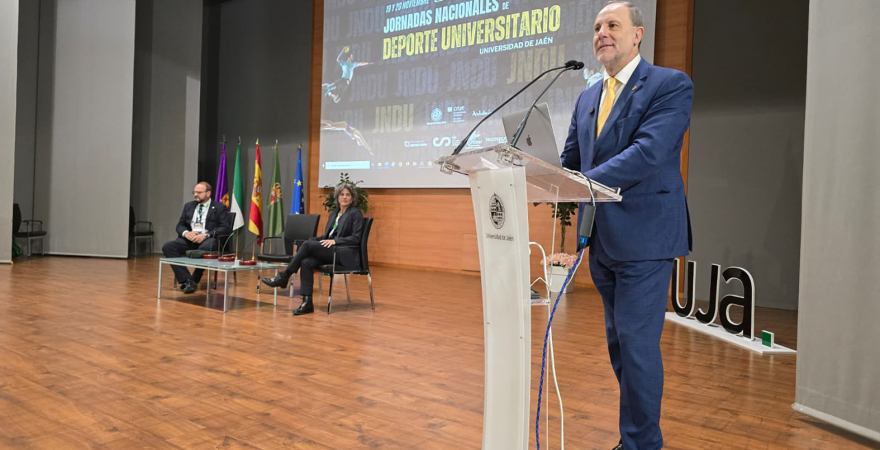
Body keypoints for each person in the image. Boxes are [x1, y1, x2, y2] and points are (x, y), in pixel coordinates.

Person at [560, 2, 693, 450]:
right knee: (622, 348)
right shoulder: (587, 97)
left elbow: (648, 153)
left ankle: (641, 444)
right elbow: (571, 162)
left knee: (636, 347)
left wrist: (580, 180)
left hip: (646, 238)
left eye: (612, 25)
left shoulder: (669, 85)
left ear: (638, 35)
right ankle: (637, 437)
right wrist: (534, 171)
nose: (602, 33)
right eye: (597, 27)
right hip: (601, 239)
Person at [260, 183, 365, 315]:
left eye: (348, 195)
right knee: (306, 262)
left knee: (307, 246)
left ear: (352, 198)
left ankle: (284, 276)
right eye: (342, 194)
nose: (344, 197)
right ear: (337, 197)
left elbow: (356, 238)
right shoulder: (334, 213)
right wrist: (313, 240)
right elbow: (326, 236)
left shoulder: (355, 213)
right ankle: (307, 303)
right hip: (331, 251)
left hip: (344, 253)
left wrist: (335, 241)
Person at [161, 182, 232, 294]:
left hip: (208, 239)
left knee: (206, 247)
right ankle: (187, 280)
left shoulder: (219, 207)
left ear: (208, 193)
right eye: (194, 192)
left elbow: (225, 228)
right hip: (191, 239)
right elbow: (180, 225)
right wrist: (186, 233)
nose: (195, 195)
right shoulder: (188, 206)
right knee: (168, 247)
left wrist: (206, 234)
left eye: (199, 192)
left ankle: (195, 278)